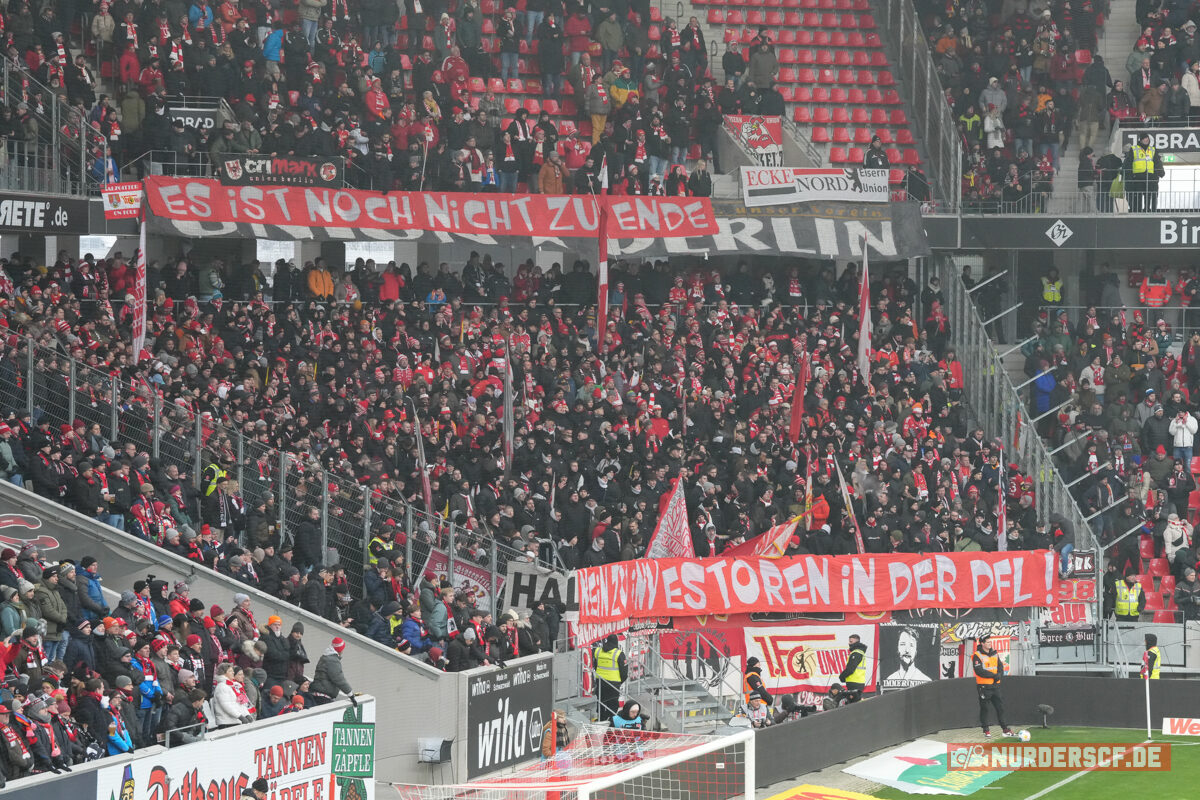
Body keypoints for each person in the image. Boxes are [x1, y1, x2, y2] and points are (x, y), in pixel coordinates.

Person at [972, 634, 1014, 738]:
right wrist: (994, 676)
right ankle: (986, 730)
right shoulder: (977, 655)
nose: (990, 643)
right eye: (987, 642)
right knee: (985, 708)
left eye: (990, 642)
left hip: (995, 686)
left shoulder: (995, 654)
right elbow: (979, 671)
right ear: (982, 643)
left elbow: (1000, 667)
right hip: (984, 687)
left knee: (1000, 708)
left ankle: (1005, 729)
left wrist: (999, 676)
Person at [592, 633, 627, 721]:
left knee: (601, 702)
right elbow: (624, 672)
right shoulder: (619, 654)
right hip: (613, 684)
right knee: (613, 705)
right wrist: (619, 682)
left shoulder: (598, 651)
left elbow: (595, 665)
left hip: (600, 681)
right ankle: (610, 722)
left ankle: (601, 719)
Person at [311, 637, 355, 704]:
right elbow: (339, 679)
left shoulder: (325, 657)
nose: (343, 651)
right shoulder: (332, 660)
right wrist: (350, 694)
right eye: (342, 649)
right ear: (340, 649)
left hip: (318, 694)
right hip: (323, 696)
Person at [838, 633, 868, 702]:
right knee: (855, 703)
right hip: (858, 681)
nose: (849, 643)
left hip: (854, 683)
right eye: (849, 641)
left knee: (853, 705)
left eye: (851, 641)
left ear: (856, 642)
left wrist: (842, 676)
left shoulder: (856, 653)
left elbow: (850, 669)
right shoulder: (859, 652)